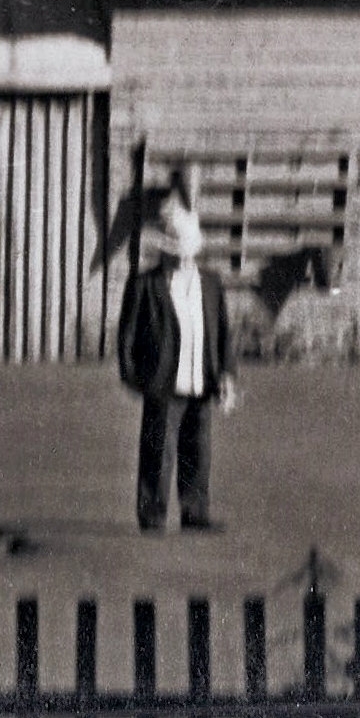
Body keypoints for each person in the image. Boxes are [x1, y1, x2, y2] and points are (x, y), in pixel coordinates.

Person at [117, 183, 237, 533]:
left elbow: (223, 333)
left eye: (187, 253)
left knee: (198, 450)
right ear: (165, 252)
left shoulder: (210, 283)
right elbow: (127, 335)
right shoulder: (144, 284)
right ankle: (152, 516)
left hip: (201, 379)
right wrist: (133, 376)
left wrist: (227, 375)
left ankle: (194, 512)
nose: (182, 259)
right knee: (158, 451)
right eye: (175, 253)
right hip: (163, 380)